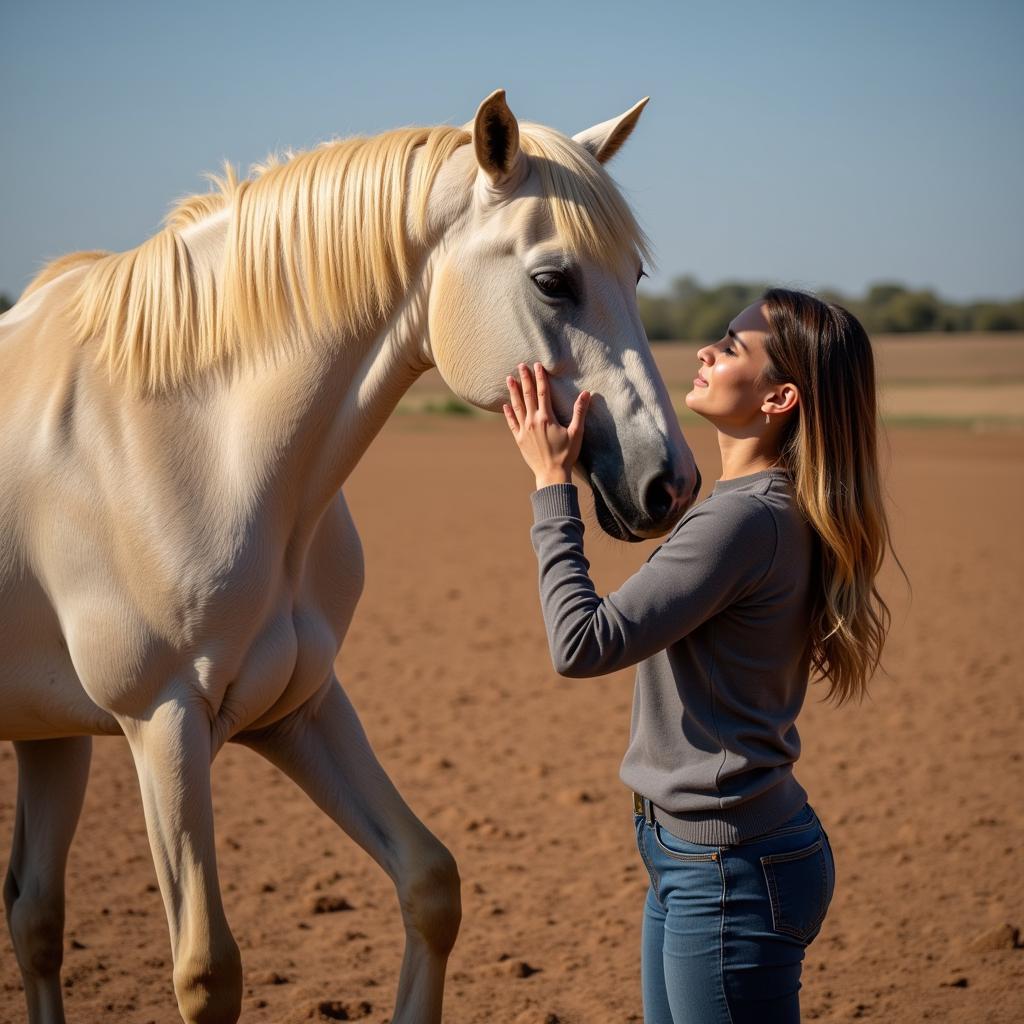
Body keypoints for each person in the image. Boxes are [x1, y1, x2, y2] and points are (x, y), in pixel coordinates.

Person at [502, 289, 897, 1024]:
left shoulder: (744, 520)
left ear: (780, 397)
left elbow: (581, 643)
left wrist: (552, 486)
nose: (706, 352)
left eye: (731, 347)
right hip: (701, 854)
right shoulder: (762, 507)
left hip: (728, 871)